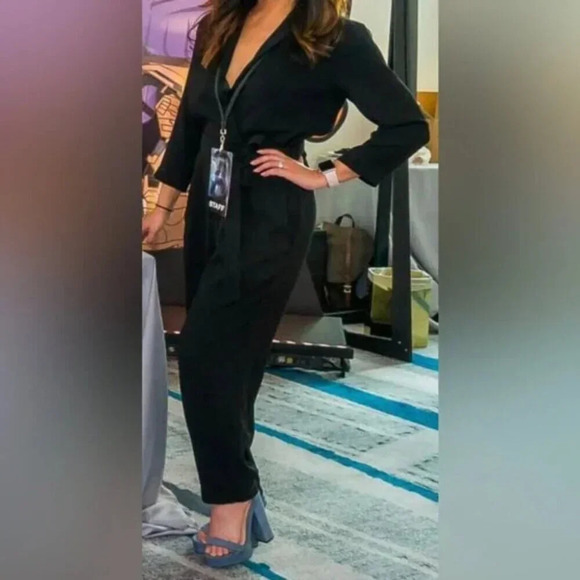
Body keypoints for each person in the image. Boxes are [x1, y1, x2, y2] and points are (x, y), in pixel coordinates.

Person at [142, 0, 428, 569]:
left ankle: (232, 499)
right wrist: (162, 207)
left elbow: (408, 125)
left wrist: (323, 174)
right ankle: (240, 486)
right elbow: (191, 130)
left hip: (271, 212)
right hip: (208, 208)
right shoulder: (219, 25)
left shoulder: (335, 36)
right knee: (234, 359)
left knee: (202, 356)